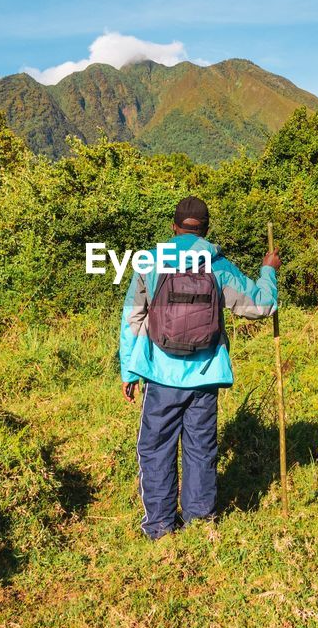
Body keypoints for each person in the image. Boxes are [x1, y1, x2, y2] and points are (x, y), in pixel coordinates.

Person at [119, 196, 281, 540]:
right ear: (206, 229)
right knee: (200, 446)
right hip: (206, 375)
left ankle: (160, 527)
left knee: (156, 446)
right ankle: (199, 522)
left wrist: (129, 371)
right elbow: (262, 305)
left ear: (174, 227)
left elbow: (133, 317)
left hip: (160, 375)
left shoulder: (151, 261)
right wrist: (269, 269)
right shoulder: (217, 264)